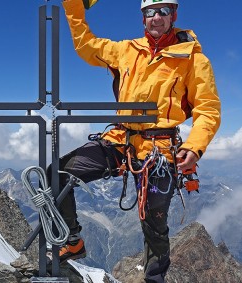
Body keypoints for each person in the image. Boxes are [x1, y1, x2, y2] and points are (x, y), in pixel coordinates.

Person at [50, 0, 221, 282]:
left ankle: (154, 279)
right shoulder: (126, 50)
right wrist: (74, 5)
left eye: (163, 11)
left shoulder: (192, 59)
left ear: (173, 16)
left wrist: (194, 146)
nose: (156, 17)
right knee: (56, 175)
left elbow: (208, 108)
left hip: (160, 149)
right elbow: (86, 46)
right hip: (120, 140)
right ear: (143, 18)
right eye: (150, 12)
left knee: (154, 221)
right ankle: (72, 241)